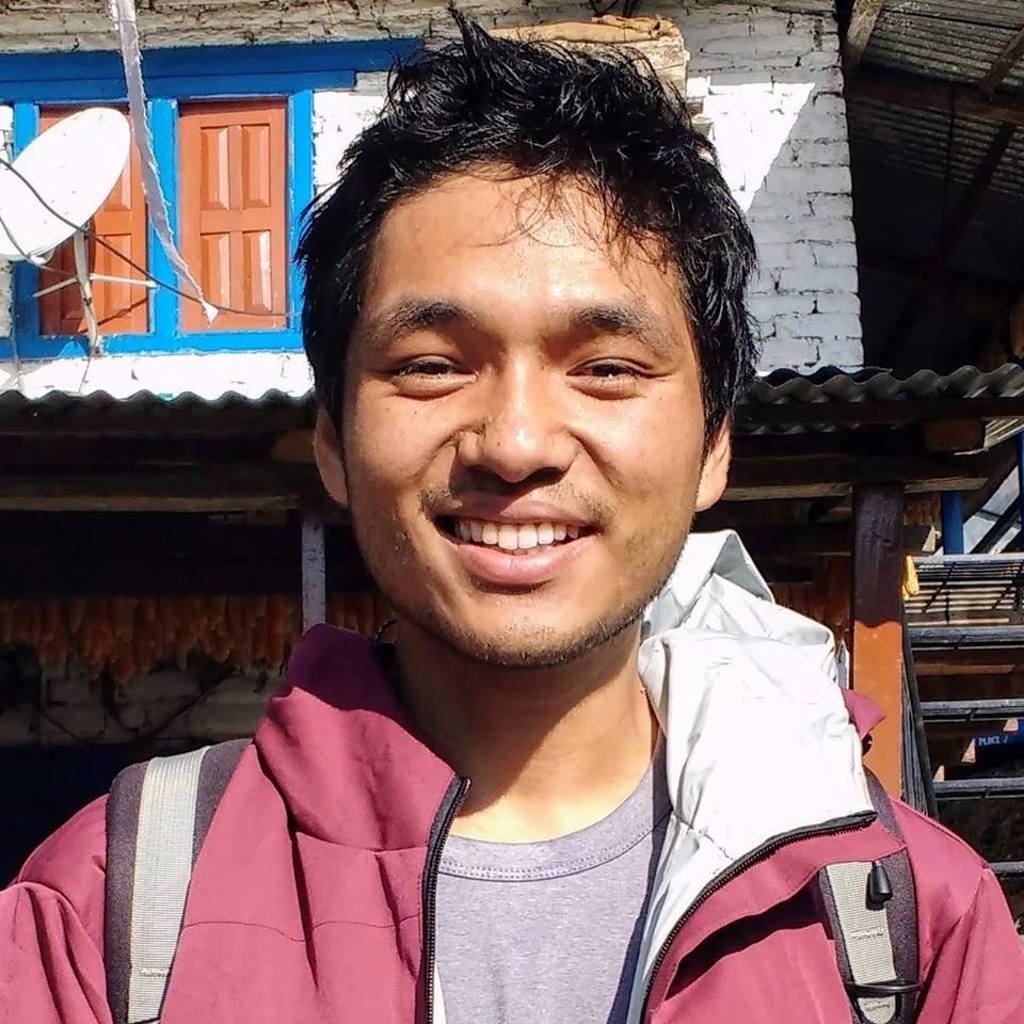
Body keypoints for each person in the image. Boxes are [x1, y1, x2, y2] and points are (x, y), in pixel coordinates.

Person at [2, 14, 1022, 1024]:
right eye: (431, 365)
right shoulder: (103, 917)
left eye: (606, 368)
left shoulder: (914, 930)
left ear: (715, 442)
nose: (517, 441)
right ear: (332, 442)